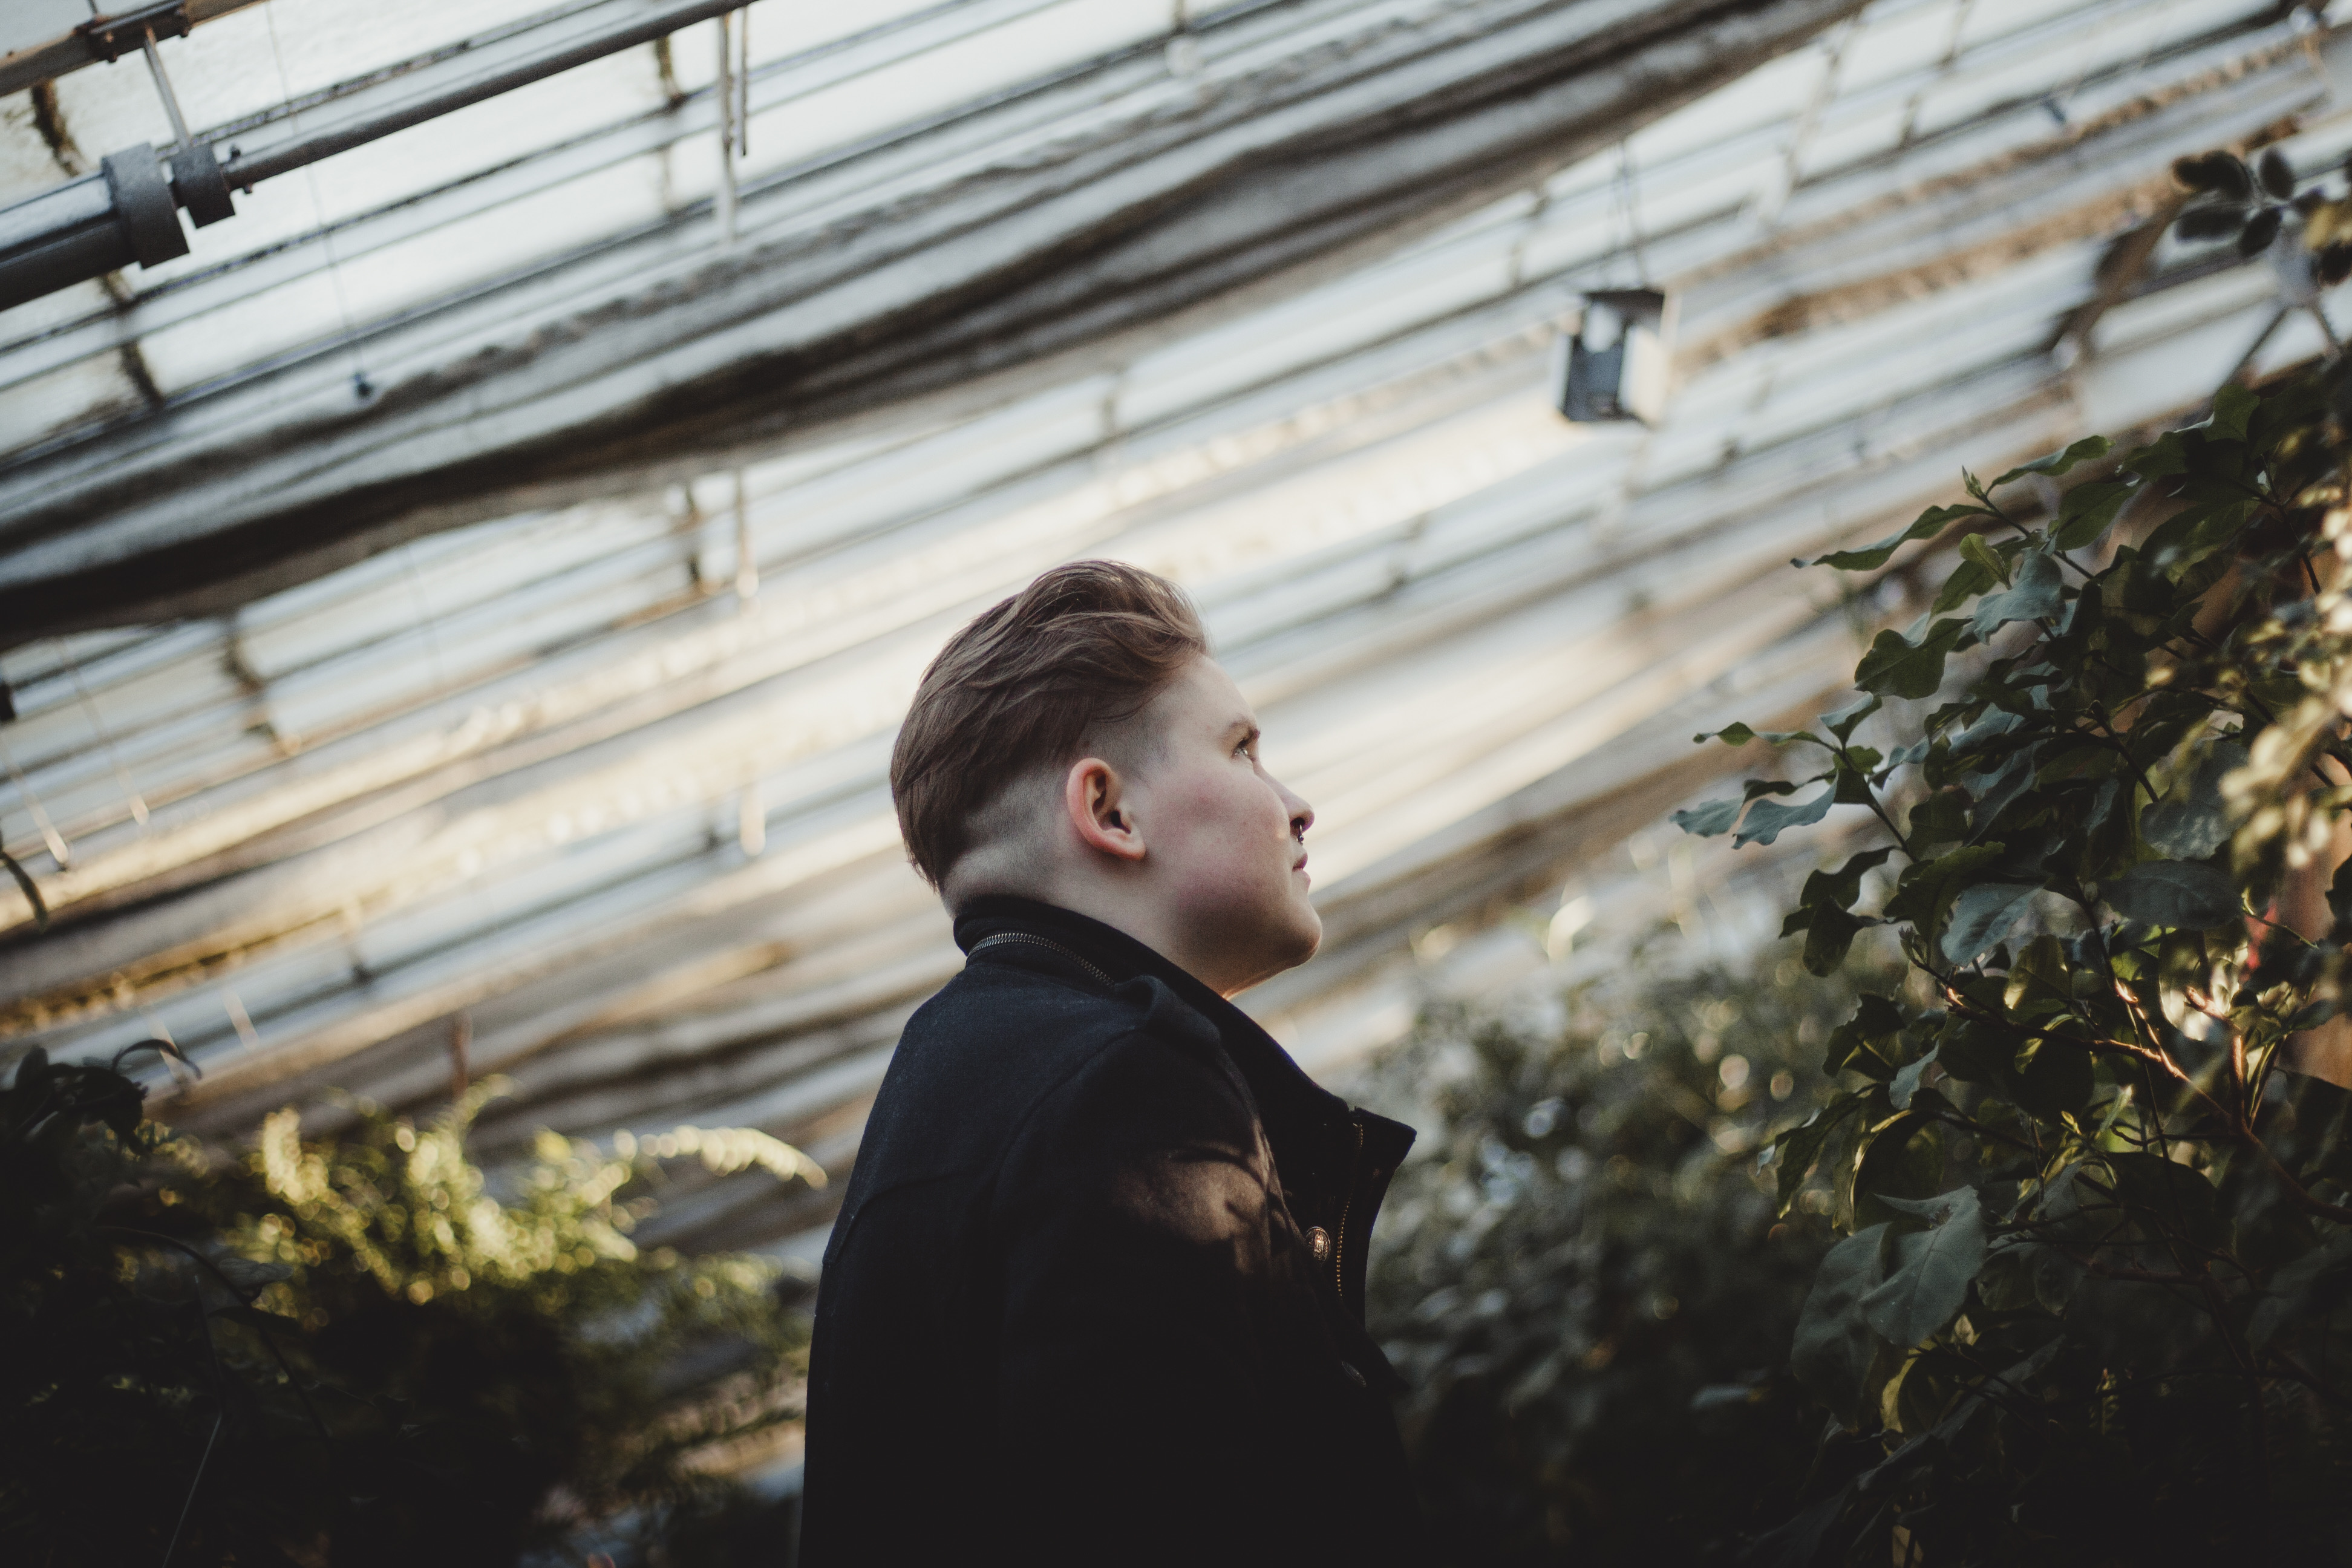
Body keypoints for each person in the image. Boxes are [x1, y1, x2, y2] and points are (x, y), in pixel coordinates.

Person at [799, 561, 1423, 1565]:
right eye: (1245, 751)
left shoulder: (960, 1075)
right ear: (1111, 811)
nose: (1296, 804)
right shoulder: (1124, 1091)